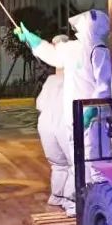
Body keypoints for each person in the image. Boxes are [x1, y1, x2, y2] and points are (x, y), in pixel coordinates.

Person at [16, 10, 112, 216]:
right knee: (76, 159)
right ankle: (78, 202)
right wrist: (32, 39)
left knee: (93, 159)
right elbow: (53, 54)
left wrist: (93, 110)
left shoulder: (98, 51)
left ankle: (97, 205)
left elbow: (104, 86)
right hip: (74, 114)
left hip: (92, 117)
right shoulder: (74, 49)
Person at [36, 35, 70, 208]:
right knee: (74, 164)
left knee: (58, 165)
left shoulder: (50, 81)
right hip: (64, 124)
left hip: (46, 126)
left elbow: (39, 104)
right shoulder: (73, 79)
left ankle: (57, 196)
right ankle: (71, 202)